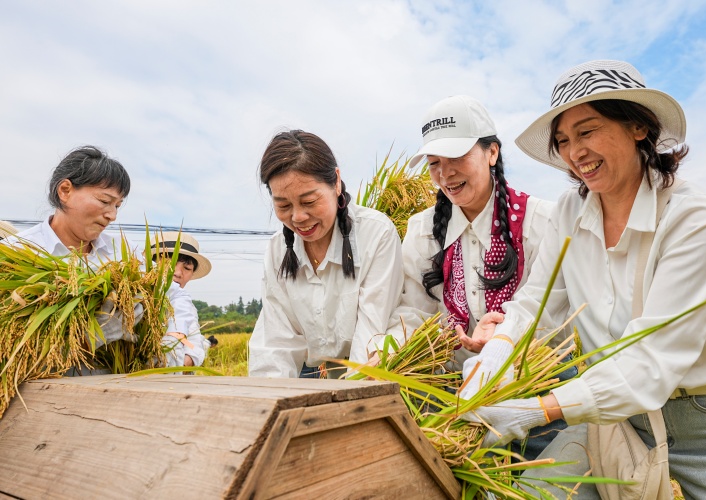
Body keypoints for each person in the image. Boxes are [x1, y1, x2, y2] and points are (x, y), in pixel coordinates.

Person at [458, 60, 706, 498]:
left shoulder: (693, 216)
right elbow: (536, 305)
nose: (573, 152)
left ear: (638, 126)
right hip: (619, 419)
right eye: (563, 140)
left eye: (587, 131)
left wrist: (532, 411)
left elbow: (652, 358)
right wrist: (492, 364)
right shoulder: (568, 212)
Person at [390, 95, 561, 459]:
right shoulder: (422, 230)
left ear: (492, 153)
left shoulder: (542, 221)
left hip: (529, 390)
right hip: (451, 390)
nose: (445, 173)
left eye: (457, 158)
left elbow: (552, 313)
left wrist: (502, 337)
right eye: (435, 163)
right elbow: (413, 311)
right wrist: (395, 352)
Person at [248, 130, 403, 379]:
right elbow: (275, 343)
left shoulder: (376, 233)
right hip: (318, 373)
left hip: (377, 370)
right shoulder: (278, 250)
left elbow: (371, 331)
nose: (298, 217)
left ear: (336, 182)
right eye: (283, 206)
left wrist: (350, 399)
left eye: (309, 201)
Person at [9, 146, 139, 355]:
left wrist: (179, 340)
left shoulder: (125, 252)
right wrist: (91, 337)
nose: (112, 215)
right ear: (65, 191)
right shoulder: (16, 252)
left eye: (117, 205)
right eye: (105, 201)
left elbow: (173, 296)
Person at [151, 231, 213, 369]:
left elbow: (193, 345)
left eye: (187, 268)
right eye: (169, 262)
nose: (178, 273)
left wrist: (185, 360)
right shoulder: (134, 296)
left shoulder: (186, 309)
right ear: (153, 263)